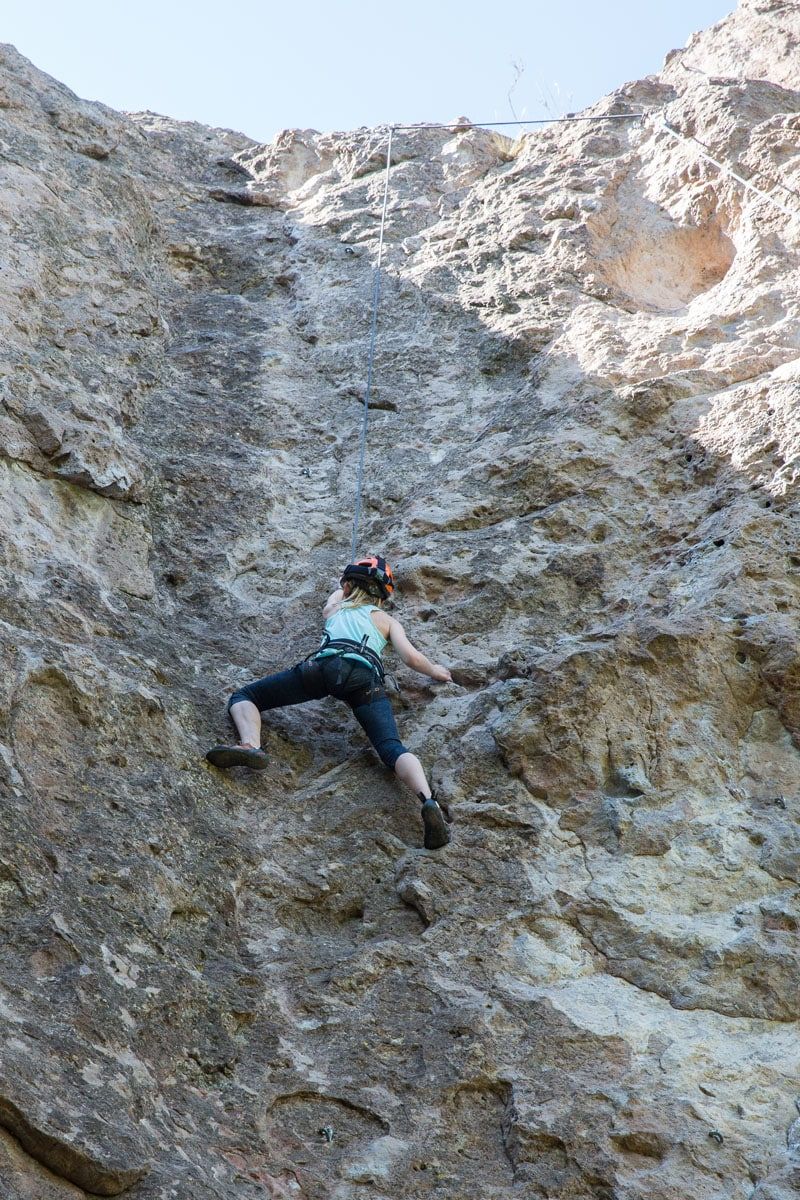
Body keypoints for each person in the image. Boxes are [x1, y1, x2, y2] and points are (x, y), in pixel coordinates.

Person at [206, 556, 453, 850]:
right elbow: (411, 657)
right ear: (383, 595)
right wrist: (436, 671)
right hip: (365, 679)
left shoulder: (337, 608)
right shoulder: (387, 621)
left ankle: (250, 745)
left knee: (246, 696)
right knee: (391, 748)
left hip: (322, 669)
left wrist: (341, 588)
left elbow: (331, 602)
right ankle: (428, 802)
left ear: (348, 587)